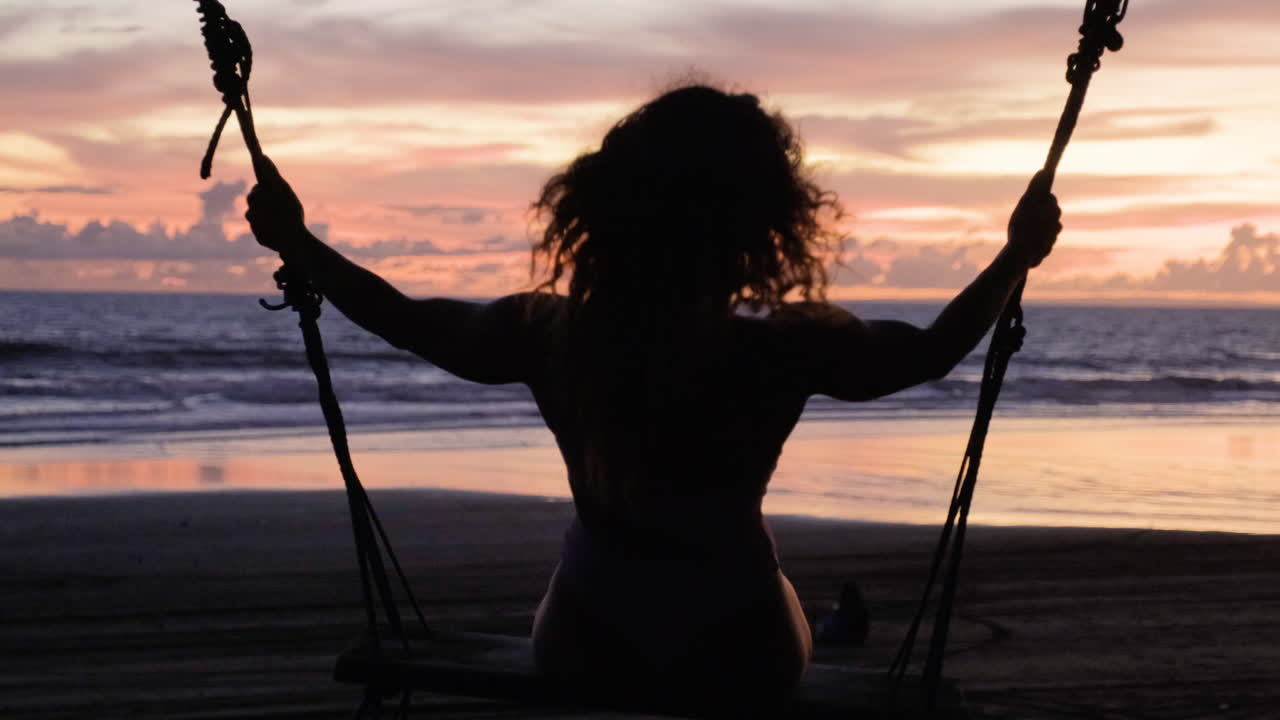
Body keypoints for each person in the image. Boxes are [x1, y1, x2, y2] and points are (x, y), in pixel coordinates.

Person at [245, 84, 1061, 709]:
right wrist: (1013, 258)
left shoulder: (550, 334)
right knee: (779, 604)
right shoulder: (786, 346)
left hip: (590, 637)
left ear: (603, 210)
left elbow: (403, 319)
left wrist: (300, 244)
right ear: (764, 227)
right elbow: (930, 352)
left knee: (581, 601)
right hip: (741, 645)